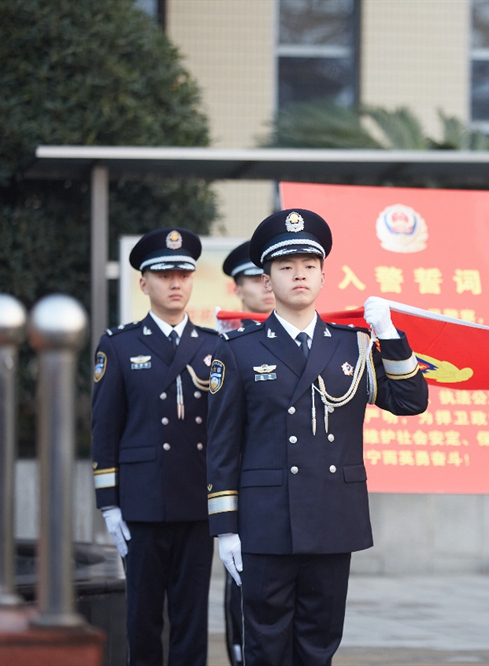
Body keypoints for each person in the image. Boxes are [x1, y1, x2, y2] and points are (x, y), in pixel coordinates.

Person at [206, 208, 429, 666]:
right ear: (267, 281)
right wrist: (226, 530)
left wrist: (390, 335)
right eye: (286, 267)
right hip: (266, 523)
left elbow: (410, 401)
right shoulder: (238, 351)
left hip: (332, 517)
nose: (299, 275)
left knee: (319, 645)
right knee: (266, 647)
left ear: (324, 275)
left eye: (309, 266)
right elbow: (222, 447)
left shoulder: (355, 344)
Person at [91, 227, 217, 666]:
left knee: (192, 617)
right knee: (142, 618)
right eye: (165, 275)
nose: (176, 282)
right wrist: (109, 503)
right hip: (141, 505)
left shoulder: (214, 346)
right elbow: (105, 428)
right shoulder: (119, 345)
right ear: (144, 283)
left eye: (184, 273)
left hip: (197, 503)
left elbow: (225, 432)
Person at [218, 239, 276, 666]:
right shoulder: (226, 343)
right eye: (254, 278)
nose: (265, 285)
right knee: (243, 593)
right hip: (240, 487)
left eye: (266, 275)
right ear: (237, 287)